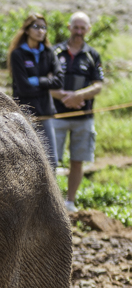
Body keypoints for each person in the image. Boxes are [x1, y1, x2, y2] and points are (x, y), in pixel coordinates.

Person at [53, 12, 104, 211]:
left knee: (77, 161)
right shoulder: (55, 52)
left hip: (83, 117)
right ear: (69, 27)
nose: (79, 31)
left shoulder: (93, 55)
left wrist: (78, 96)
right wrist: (65, 97)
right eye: (76, 27)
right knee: (50, 161)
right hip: (56, 115)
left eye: (83, 28)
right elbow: (46, 82)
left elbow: (98, 85)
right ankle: (51, 204)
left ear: (88, 30)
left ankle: (70, 202)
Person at [8, 13, 63, 168]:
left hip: (45, 112)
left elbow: (59, 81)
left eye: (44, 27)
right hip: (25, 113)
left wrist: (37, 80)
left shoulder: (49, 53)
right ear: (27, 30)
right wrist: (46, 84)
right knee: (28, 162)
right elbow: (23, 88)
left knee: (51, 162)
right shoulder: (17, 54)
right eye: (36, 27)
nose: (40, 31)